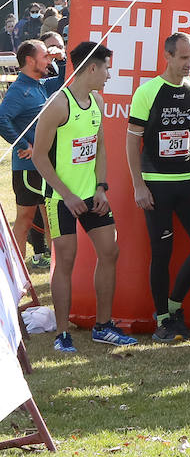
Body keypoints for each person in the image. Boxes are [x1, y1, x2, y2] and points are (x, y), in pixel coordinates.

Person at [28, 41, 138, 352]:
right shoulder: (57, 105)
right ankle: (62, 333)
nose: (108, 74)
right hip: (60, 198)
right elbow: (39, 157)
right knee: (66, 260)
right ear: (91, 67)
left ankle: (103, 326)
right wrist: (67, 195)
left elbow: (100, 146)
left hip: (92, 195)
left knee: (110, 251)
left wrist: (101, 187)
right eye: (106, 68)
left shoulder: (97, 102)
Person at [126, 32, 190, 343]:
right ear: (168, 57)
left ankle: (175, 305)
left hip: (186, 182)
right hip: (157, 185)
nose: (189, 63)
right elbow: (132, 140)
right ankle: (163, 318)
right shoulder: (148, 91)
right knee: (162, 252)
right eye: (183, 58)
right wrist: (139, 186)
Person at [0, 40, 63, 269]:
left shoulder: (40, 84)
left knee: (49, 218)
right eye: (45, 56)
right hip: (28, 168)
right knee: (27, 220)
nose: (49, 60)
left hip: (43, 165)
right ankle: (16, 271)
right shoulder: (20, 89)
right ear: (30, 60)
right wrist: (24, 144)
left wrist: (61, 58)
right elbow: (1, 119)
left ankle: (53, 268)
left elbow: (65, 81)